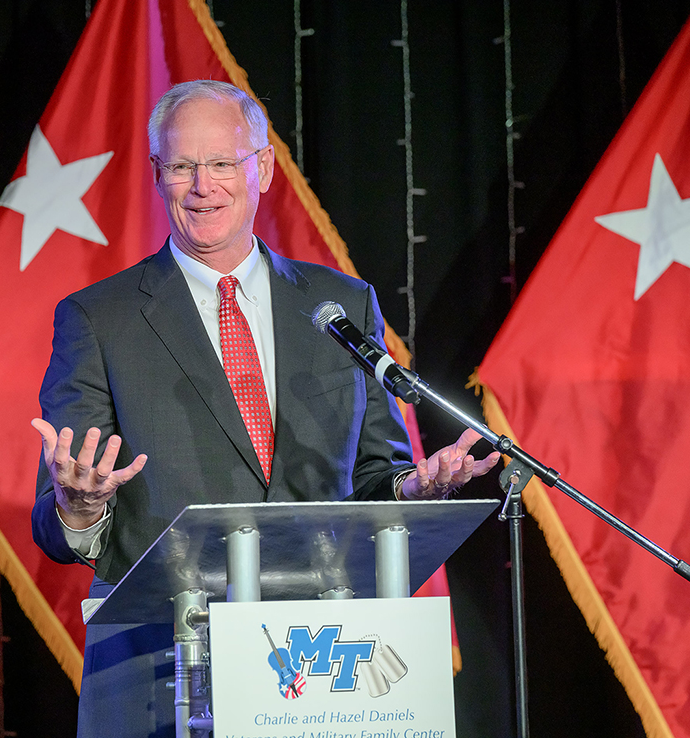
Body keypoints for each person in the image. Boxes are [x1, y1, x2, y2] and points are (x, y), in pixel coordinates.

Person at [30, 79, 499, 737]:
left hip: (324, 670)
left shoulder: (340, 307)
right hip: (161, 670)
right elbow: (58, 526)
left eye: (222, 163)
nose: (203, 185)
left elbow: (373, 476)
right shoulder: (97, 319)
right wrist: (81, 506)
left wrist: (413, 488)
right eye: (183, 166)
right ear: (158, 175)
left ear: (264, 169)